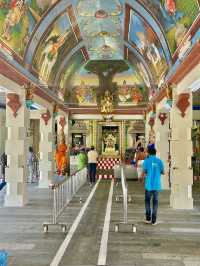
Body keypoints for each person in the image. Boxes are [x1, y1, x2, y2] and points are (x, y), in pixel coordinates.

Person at [139, 146, 164, 225]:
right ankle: (154, 220)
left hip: (148, 185)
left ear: (149, 153)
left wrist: (141, 178)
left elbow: (144, 172)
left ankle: (148, 218)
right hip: (156, 185)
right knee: (155, 202)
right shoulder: (159, 161)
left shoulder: (146, 161)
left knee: (147, 201)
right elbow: (163, 172)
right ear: (155, 153)